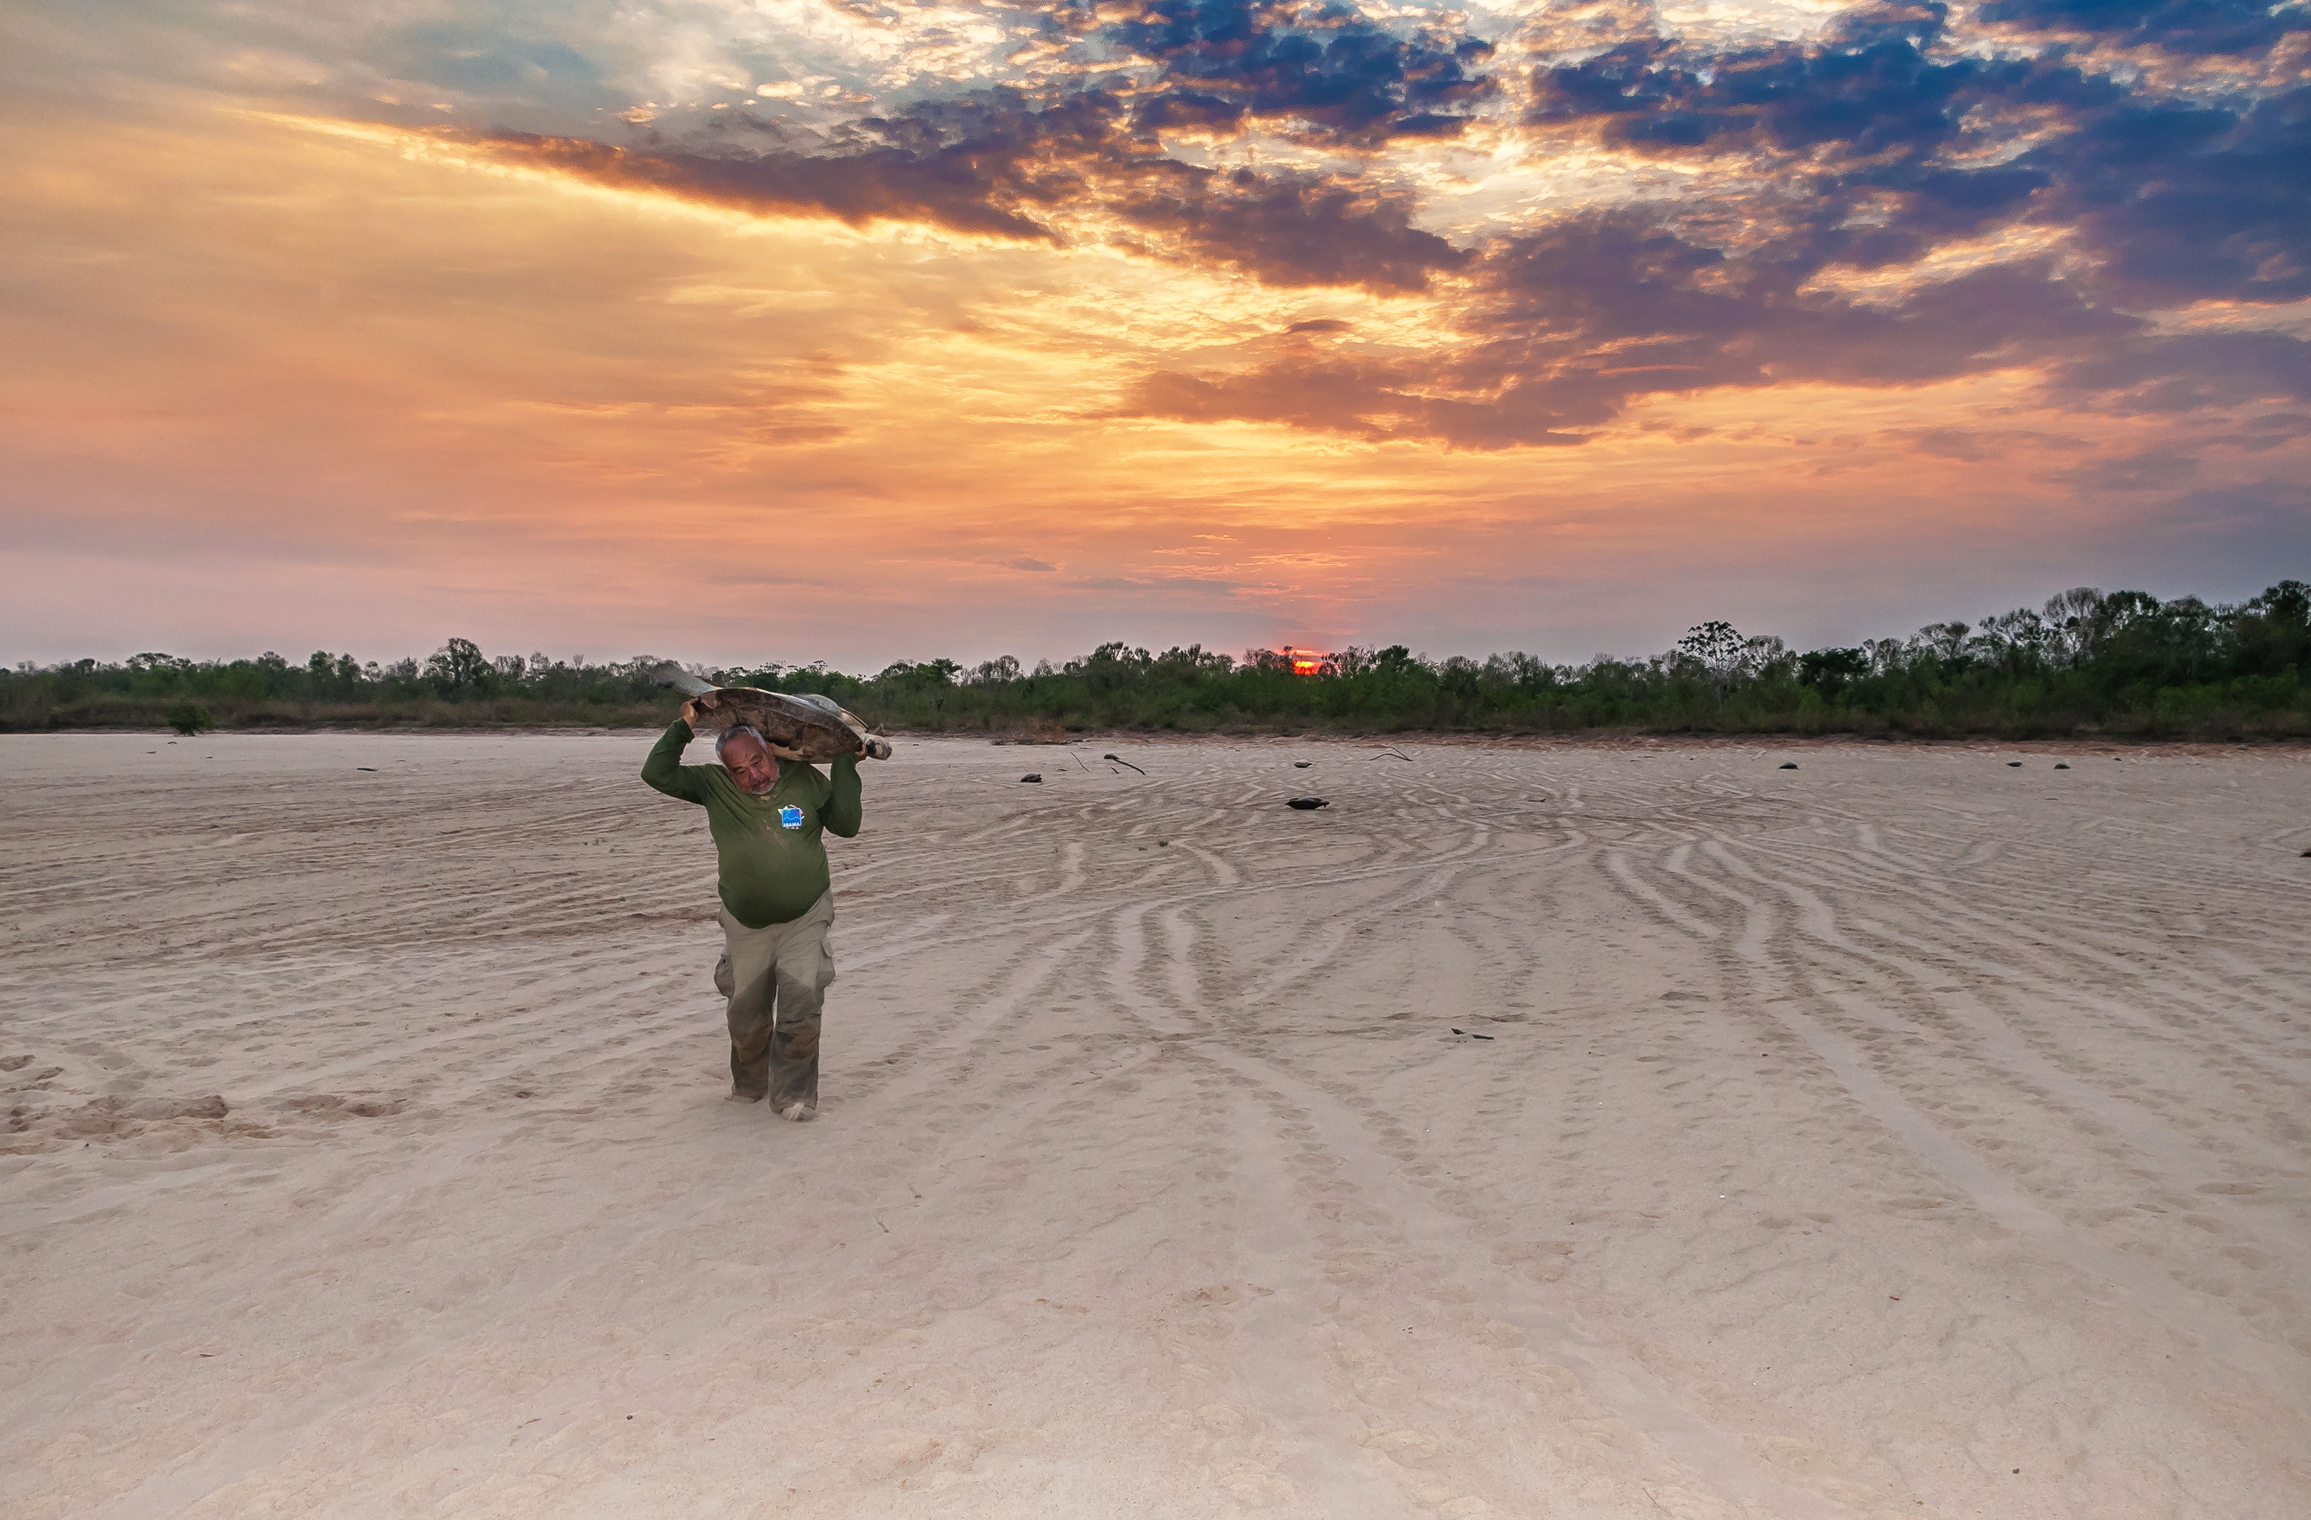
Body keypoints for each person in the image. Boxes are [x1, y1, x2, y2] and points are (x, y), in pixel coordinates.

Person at [642, 706, 863, 1119]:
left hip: (804, 916)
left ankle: (794, 1095)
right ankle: (750, 1084)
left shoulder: (804, 780)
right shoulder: (712, 786)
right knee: (746, 1017)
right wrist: (685, 724)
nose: (753, 776)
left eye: (757, 762)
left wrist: (845, 763)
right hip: (745, 924)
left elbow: (847, 825)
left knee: (801, 1007)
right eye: (739, 771)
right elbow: (655, 773)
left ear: (770, 750)